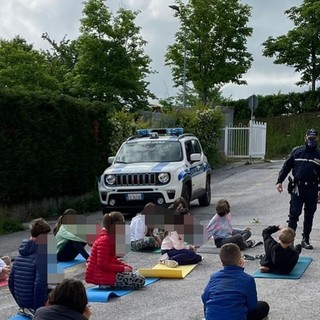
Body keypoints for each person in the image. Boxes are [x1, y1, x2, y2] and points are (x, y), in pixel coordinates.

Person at [276, 128, 320, 250]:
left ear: (317, 139)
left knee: (309, 215)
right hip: (298, 188)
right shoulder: (297, 152)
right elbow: (286, 167)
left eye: (314, 139)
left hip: (312, 188)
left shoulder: (319, 154)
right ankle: (289, 241)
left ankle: (306, 239)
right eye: (310, 138)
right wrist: (279, 181)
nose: (311, 141)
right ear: (305, 138)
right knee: (294, 215)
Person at [202, 243, 270, 320]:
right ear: (241, 261)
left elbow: (204, 298)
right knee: (263, 306)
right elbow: (252, 306)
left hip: (212, 317)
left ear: (222, 263)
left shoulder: (214, 276)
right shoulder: (248, 279)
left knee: (210, 300)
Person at [85, 211, 145, 290]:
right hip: (101, 276)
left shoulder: (109, 238)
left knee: (138, 277)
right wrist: (122, 268)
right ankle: (105, 284)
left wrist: (124, 266)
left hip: (104, 274)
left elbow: (112, 260)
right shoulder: (105, 240)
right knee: (139, 280)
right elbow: (102, 265)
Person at [9, 218, 51, 317]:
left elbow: (11, 282)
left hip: (22, 302)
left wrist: (20, 303)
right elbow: (39, 286)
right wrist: (38, 310)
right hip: (34, 303)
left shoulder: (20, 255)